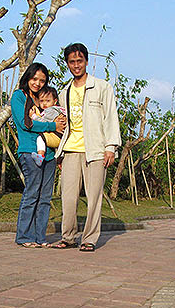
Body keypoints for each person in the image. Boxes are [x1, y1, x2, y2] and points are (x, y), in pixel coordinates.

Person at [52, 43, 121, 252]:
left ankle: (89, 238)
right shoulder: (64, 92)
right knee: (69, 197)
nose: (76, 65)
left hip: (96, 151)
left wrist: (111, 147)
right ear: (67, 64)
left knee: (94, 197)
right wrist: (60, 153)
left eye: (79, 61)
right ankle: (69, 237)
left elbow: (111, 117)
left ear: (86, 62)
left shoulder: (102, 87)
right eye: (72, 62)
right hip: (70, 150)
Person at [11, 63, 66, 248]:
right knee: (32, 193)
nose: (37, 83)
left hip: (49, 154)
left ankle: (40, 237)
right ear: (28, 77)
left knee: (45, 197)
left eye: (42, 80)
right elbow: (26, 123)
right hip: (30, 151)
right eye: (35, 79)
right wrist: (53, 126)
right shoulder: (19, 96)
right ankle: (24, 236)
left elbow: (59, 120)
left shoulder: (44, 99)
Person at [29, 86, 66, 166]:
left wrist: (34, 117)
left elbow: (45, 122)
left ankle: (40, 155)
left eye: (48, 101)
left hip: (56, 135)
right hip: (59, 136)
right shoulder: (58, 110)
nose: (44, 103)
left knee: (40, 138)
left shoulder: (51, 110)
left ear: (55, 101)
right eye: (42, 101)